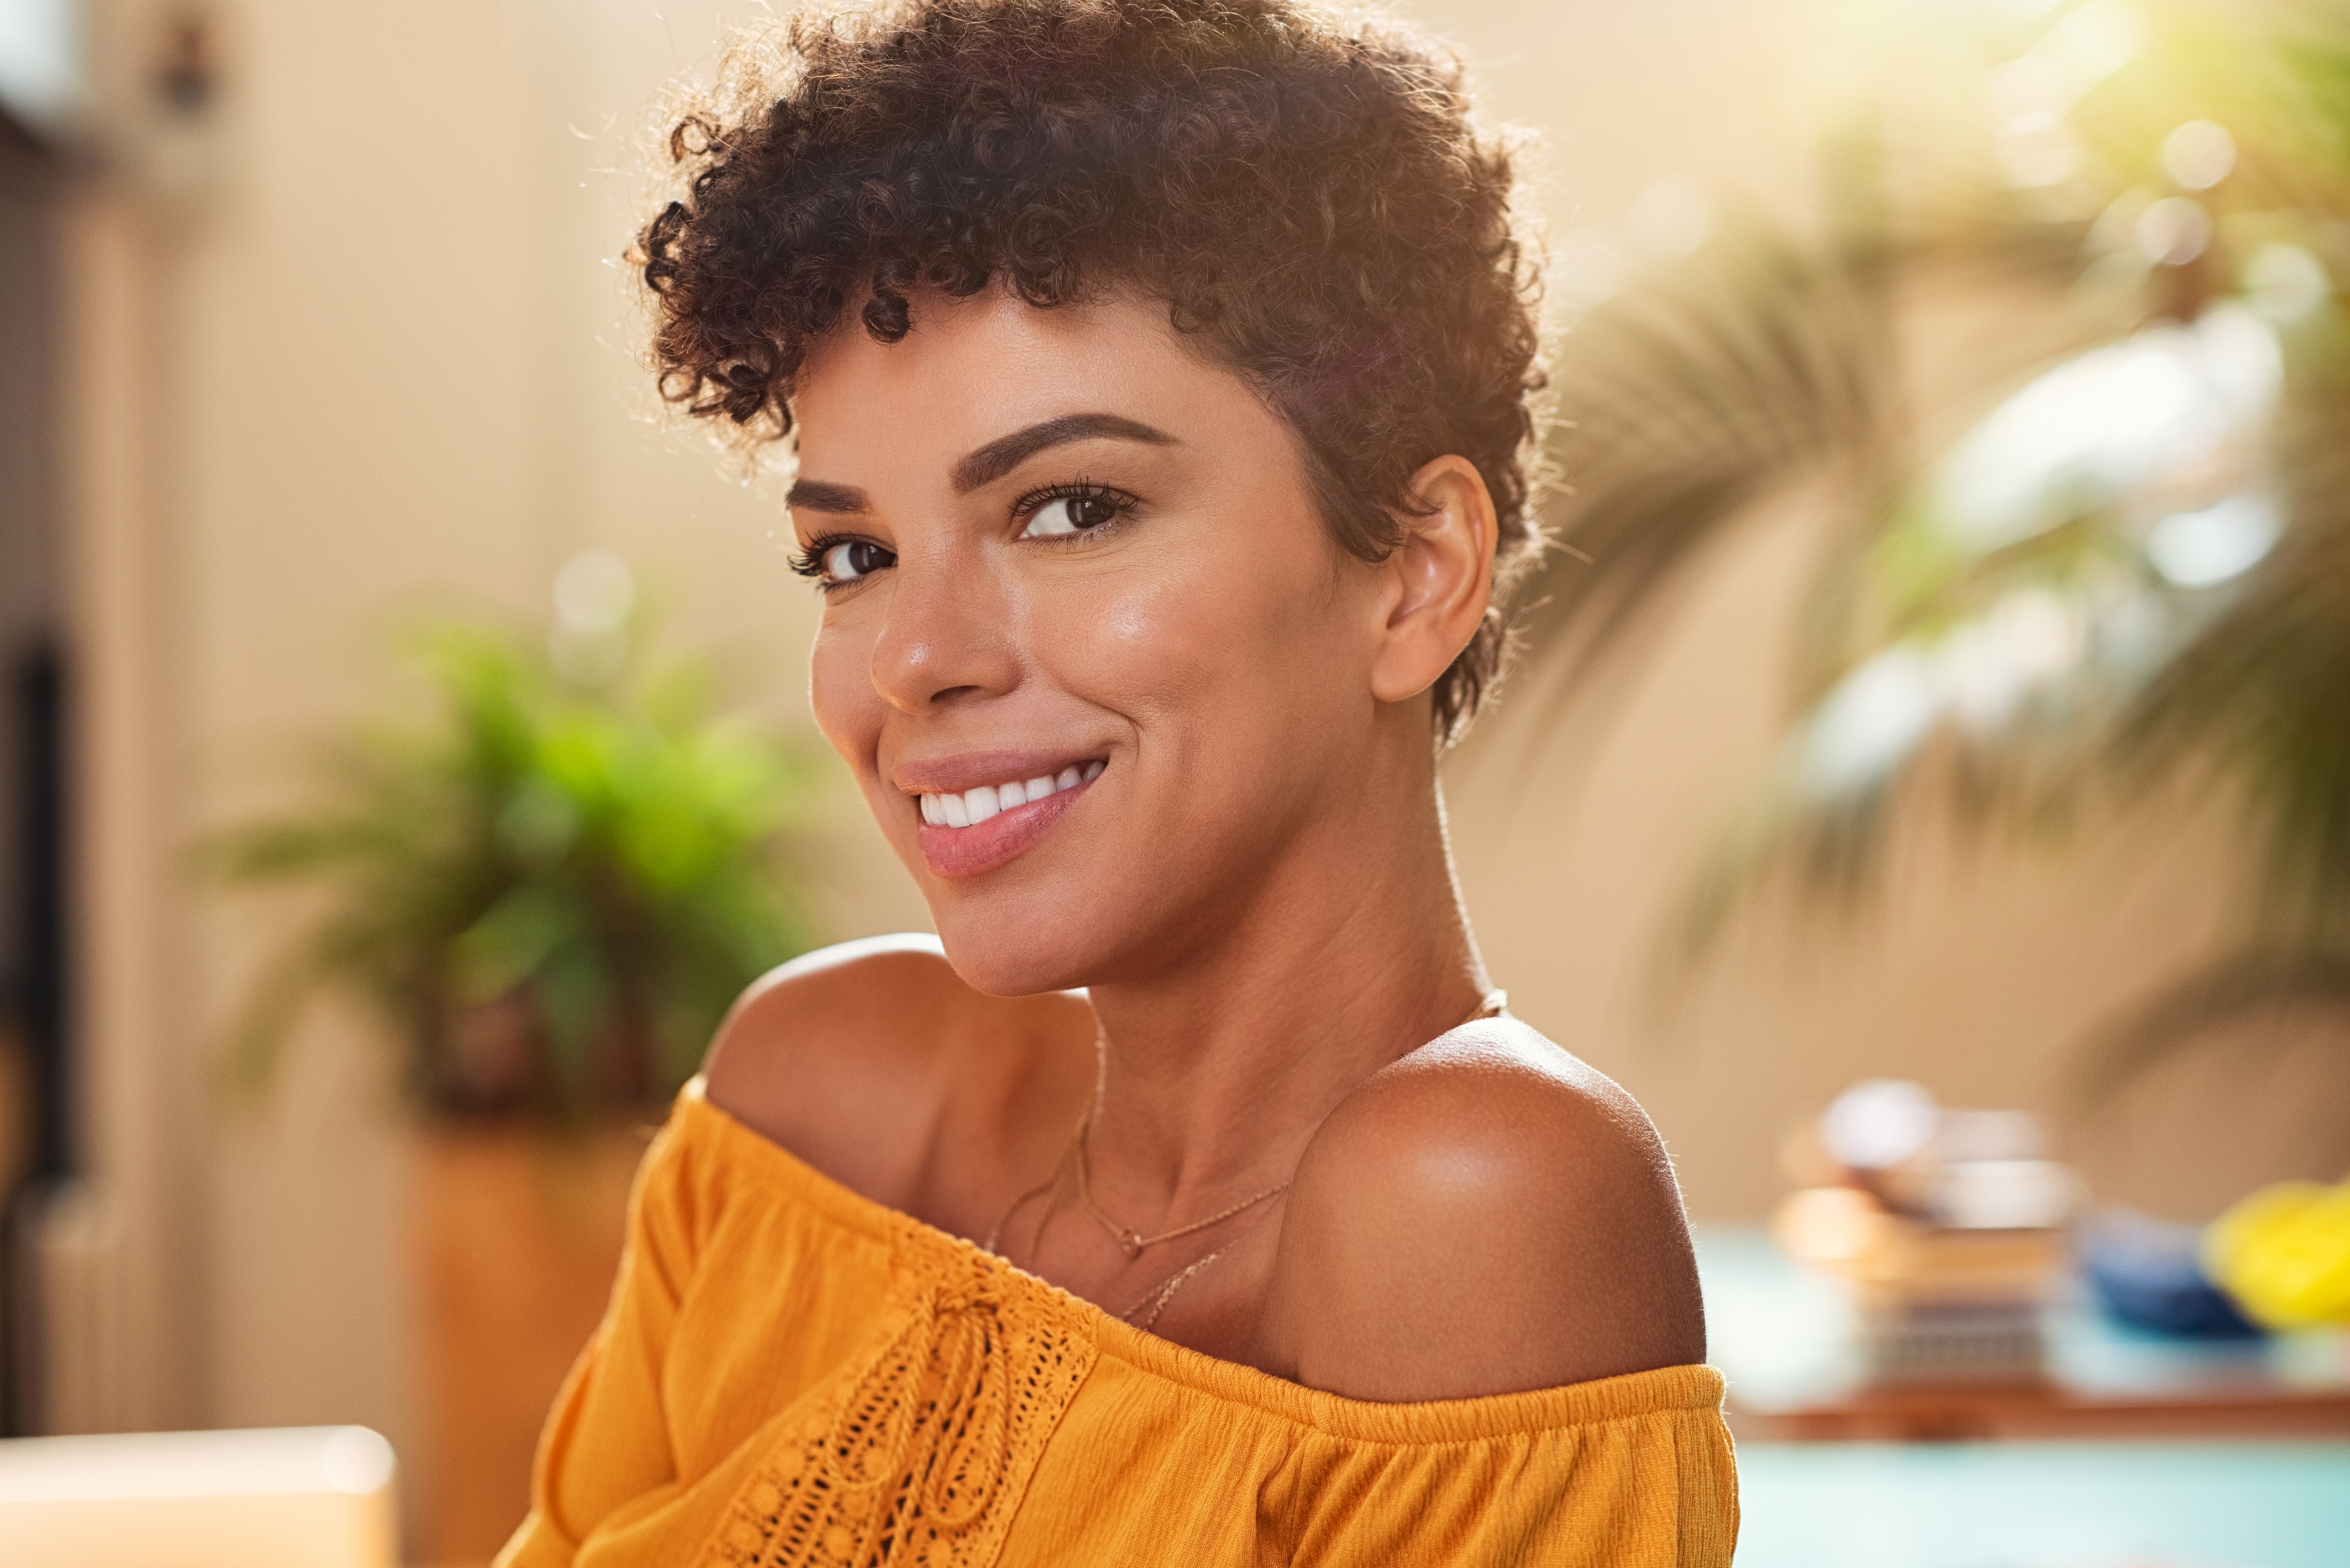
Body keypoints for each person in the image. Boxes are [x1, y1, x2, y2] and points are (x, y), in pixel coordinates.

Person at [497, 1, 1735, 1562]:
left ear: (1416, 575)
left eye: (1071, 508)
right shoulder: (811, 1106)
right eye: (853, 555)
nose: (912, 658)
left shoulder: (1475, 1194)